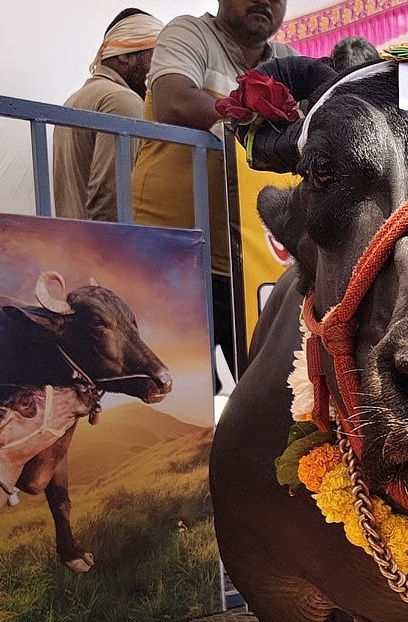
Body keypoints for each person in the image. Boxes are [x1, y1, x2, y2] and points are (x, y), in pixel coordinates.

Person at [131, 0, 296, 389]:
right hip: (172, 255)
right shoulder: (189, 32)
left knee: (264, 391)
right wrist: (256, 128)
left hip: (248, 264)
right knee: (178, 396)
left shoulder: (288, 58)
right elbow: (174, 99)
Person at [52, 9, 163, 222]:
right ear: (124, 55)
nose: (162, 71)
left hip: (73, 247)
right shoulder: (122, 100)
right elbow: (111, 200)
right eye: (157, 57)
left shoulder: (77, 99)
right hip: (104, 250)